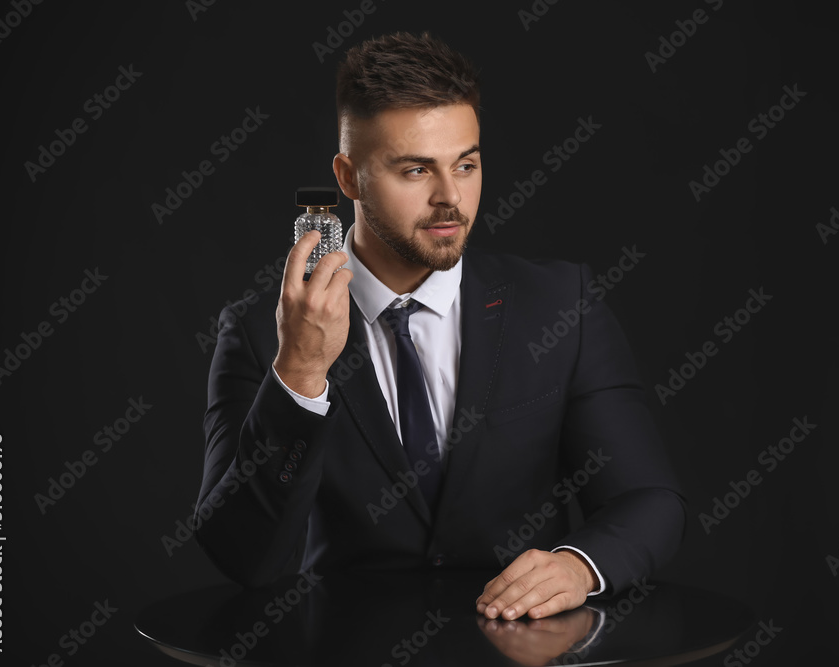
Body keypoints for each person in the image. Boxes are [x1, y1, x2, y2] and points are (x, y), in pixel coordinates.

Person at [195, 31, 685, 622]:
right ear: (349, 179)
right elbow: (243, 556)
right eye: (415, 170)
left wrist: (580, 565)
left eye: (467, 164)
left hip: (523, 653)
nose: (451, 197)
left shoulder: (561, 305)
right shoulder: (259, 333)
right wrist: (299, 372)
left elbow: (649, 499)